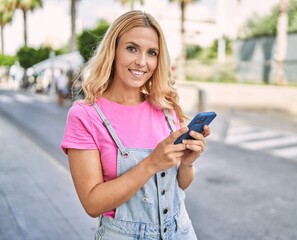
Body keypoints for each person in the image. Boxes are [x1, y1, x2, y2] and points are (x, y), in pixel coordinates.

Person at [61, 10, 211, 240]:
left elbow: (181, 184)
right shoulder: (85, 115)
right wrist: (151, 164)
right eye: (132, 48)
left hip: (181, 232)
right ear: (113, 50)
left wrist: (187, 164)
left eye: (152, 53)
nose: (142, 62)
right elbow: (92, 204)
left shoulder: (165, 106)